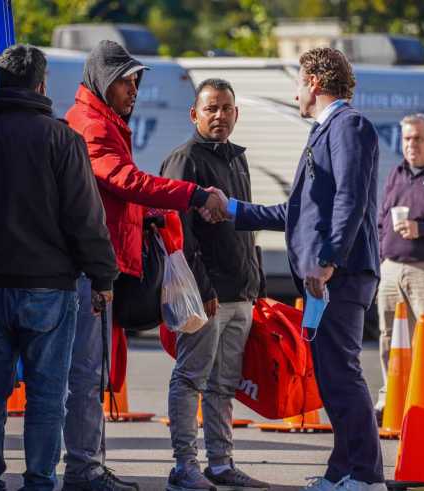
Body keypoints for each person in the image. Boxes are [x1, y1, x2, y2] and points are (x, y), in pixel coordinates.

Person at [0, 44, 118, 491]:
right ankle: (39, 481)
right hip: (50, 290)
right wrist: (102, 276)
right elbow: (85, 217)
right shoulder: (62, 140)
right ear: (40, 85)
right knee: (46, 397)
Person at [205, 48, 386, 491]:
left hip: (340, 275)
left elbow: (350, 199)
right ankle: (342, 471)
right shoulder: (325, 131)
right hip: (326, 278)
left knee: (341, 373)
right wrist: (231, 208)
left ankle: (365, 476)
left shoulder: (349, 126)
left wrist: (328, 259)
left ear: (313, 82)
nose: (296, 93)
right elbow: (296, 210)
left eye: (298, 82)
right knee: (330, 376)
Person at [63, 40, 219, 491]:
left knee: (95, 374)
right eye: (127, 82)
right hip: (92, 267)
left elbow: (114, 195)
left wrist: (148, 215)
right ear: (103, 82)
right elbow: (124, 181)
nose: (135, 91)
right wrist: (190, 195)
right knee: (87, 375)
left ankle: (90, 466)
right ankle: (84, 470)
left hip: (103, 264)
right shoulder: (92, 125)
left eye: (137, 82)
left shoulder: (104, 120)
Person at [160, 78, 268, 491]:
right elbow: (177, 234)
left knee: (224, 385)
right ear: (195, 114)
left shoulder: (237, 160)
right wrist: (203, 289)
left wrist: (254, 283)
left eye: (226, 108)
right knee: (190, 379)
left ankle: (221, 464)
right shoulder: (185, 159)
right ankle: (183, 466)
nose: (219, 115)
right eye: (211, 109)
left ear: (236, 114)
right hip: (206, 297)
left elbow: (245, 227)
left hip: (240, 295)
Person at [375, 113, 424, 421]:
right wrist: (378, 255)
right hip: (390, 268)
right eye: (406, 139)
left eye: (417, 138)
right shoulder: (396, 173)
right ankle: (392, 398)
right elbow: (381, 218)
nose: (411, 144)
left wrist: (422, 229)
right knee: (390, 336)